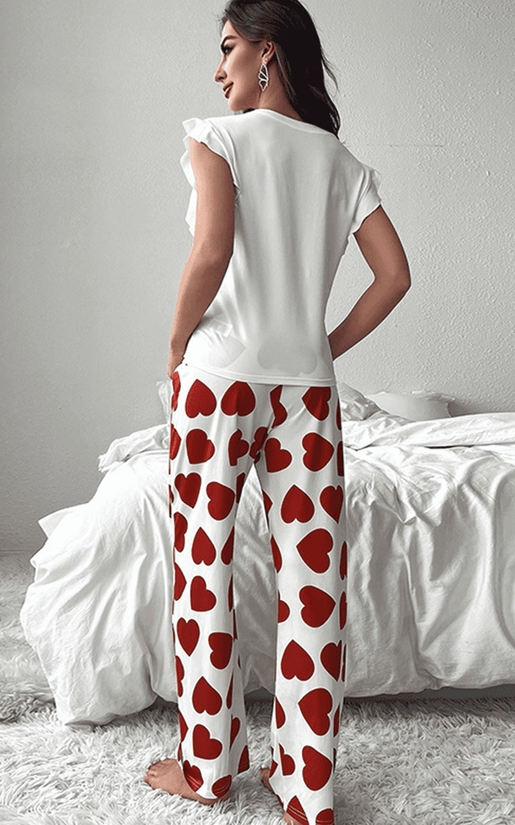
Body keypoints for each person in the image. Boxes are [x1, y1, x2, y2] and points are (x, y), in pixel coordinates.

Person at [145, 1, 410, 822]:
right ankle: (306, 785)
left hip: (220, 383)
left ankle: (211, 766)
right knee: (312, 583)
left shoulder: (215, 137)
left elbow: (212, 250)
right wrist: (320, 342)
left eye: (227, 48)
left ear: (267, 50)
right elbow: (395, 277)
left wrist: (177, 341)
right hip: (307, 392)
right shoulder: (340, 160)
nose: (218, 67)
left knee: (204, 565)